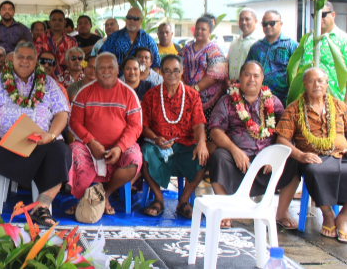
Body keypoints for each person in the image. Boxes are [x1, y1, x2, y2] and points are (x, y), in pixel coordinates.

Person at [0, 42, 70, 226]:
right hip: (4, 139)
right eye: (21, 57)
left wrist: (50, 135)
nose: (25, 61)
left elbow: (62, 113)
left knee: (62, 152)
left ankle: (42, 208)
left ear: (36, 61)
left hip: (40, 141)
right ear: (13, 59)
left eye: (29, 57)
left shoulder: (49, 83)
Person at [208, 61, 299, 229]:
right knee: (218, 157)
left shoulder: (273, 101)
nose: (252, 79)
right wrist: (234, 151)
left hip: (267, 164)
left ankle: (282, 211)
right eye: (247, 75)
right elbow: (215, 131)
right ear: (240, 78)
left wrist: (274, 155)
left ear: (262, 79)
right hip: (238, 162)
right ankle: (225, 209)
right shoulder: (227, 101)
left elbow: (285, 132)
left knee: (293, 158)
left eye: (256, 76)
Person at [275, 67, 347, 241]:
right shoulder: (294, 109)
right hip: (313, 158)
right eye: (312, 81)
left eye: (320, 81)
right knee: (315, 172)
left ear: (326, 84)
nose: (317, 85)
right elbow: (281, 140)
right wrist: (300, 156)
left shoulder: (338, 106)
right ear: (305, 84)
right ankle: (328, 214)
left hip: (341, 155)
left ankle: (344, 216)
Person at [67, 53, 142, 217]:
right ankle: (85, 198)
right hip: (89, 147)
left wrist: (120, 147)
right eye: (102, 67)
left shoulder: (128, 93)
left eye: (110, 67)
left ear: (117, 70)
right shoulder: (84, 92)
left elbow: (135, 126)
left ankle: (105, 195)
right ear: (95, 70)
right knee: (73, 151)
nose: (106, 71)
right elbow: (74, 122)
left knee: (134, 158)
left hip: (118, 148)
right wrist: (91, 142)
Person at [140, 55, 208, 219]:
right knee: (144, 153)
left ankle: (183, 201)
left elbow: (199, 124)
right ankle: (159, 199)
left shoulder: (192, 95)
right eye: (167, 71)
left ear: (182, 72)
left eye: (176, 70)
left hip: (185, 145)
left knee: (202, 157)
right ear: (161, 72)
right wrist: (156, 139)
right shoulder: (151, 95)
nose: (172, 74)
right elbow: (143, 126)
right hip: (159, 145)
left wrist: (201, 143)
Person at [246, 10, 298, 106]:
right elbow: (246, 70)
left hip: (283, 100)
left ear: (280, 24)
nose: (268, 26)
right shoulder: (256, 47)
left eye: (272, 23)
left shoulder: (291, 45)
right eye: (265, 24)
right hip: (258, 100)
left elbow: (298, 72)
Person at [182, 16, 229, 120]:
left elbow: (215, 74)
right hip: (186, 96)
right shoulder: (186, 48)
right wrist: (184, 87)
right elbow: (177, 68)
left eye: (203, 29)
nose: (199, 31)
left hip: (209, 99)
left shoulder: (214, 49)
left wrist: (195, 88)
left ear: (210, 32)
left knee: (206, 127)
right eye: (197, 28)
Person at [300, 1, 347, 100]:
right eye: (315, 15)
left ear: (333, 15)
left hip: (334, 98)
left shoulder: (343, 39)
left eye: (323, 15)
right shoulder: (308, 39)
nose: (319, 19)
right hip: (308, 99)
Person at [100, 8, 160, 73]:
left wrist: (144, 80)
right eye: (129, 18)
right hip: (118, 80)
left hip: (142, 81)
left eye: (136, 18)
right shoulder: (114, 37)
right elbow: (101, 57)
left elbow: (156, 65)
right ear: (126, 19)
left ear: (141, 20)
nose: (132, 21)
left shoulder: (149, 40)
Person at [34, 9, 78, 74]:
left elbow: (75, 62)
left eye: (60, 20)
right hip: (45, 77)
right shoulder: (41, 39)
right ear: (49, 23)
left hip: (66, 79)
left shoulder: (72, 41)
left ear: (64, 22)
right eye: (54, 20)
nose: (57, 22)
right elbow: (37, 60)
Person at [226, 8, 260, 83]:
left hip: (249, 88)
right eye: (241, 19)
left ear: (255, 21)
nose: (244, 22)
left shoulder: (259, 43)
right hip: (231, 88)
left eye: (247, 19)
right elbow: (227, 65)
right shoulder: (234, 43)